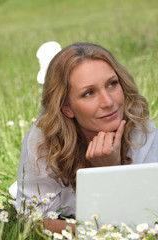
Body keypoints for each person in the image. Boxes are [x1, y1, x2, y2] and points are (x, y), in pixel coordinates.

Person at [16, 42, 158, 233]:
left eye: (112, 84)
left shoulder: (137, 121)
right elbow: (32, 220)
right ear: (66, 107)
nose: (109, 102)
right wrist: (92, 232)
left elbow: (149, 207)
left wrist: (110, 170)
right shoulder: (43, 140)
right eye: (89, 93)